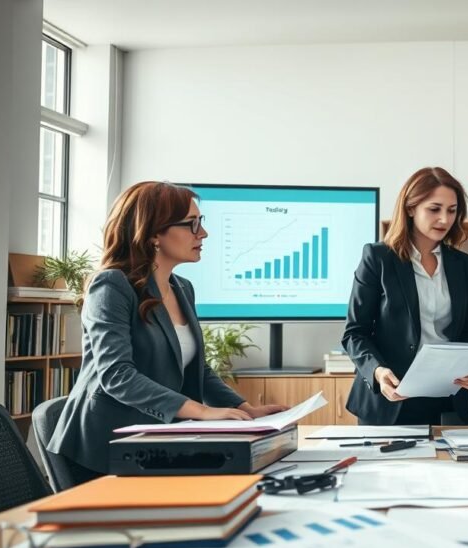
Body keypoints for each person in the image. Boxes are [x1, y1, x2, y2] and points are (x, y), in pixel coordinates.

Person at [48, 181, 288, 483]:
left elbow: (198, 370)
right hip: (104, 449)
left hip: (155, 442)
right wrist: (201, 411)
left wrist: (245, 409)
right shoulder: (111, 286)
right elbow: (116, 375)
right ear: (153, 234)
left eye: (201, 223)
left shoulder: (182, 288)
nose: (203, 233)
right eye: (192, 224)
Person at [342, 167, 468, 425]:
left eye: (452, 210)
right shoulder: (378, 258)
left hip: (448, 399)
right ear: (411, 208)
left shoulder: (463, 264)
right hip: (391, 397)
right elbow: (355, 332)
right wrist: (377, 371)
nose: (444, 219)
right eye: (434, 209)